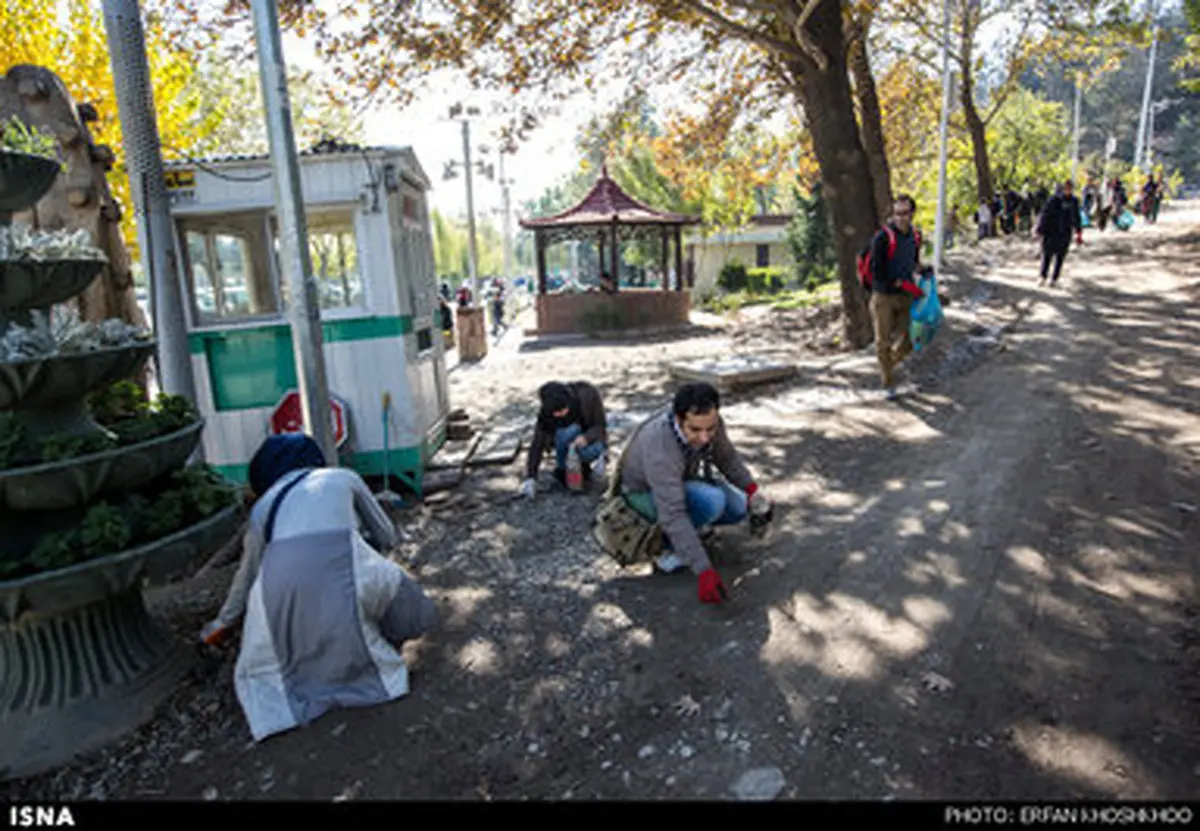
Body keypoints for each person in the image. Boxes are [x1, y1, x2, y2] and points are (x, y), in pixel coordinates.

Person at [201, 434, 436, 742]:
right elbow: (387, 534)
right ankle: (376, 641)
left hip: (281, 605)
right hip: (345, 583)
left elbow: (246, 578)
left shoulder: (263, 509)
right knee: (401, 597)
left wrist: (221, 624)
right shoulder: (341, 478)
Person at [618, 382, 773, 604]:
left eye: (710, 429)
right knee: (712, 502)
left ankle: (690, 537)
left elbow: (727, 458)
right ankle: (666, 549)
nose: (704, 438)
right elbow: (672, 513)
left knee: (739, 505)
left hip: (680, 481)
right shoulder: (660, 445)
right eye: (696, 430)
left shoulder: (711, 422)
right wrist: (704, 571)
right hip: (642, 495)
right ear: (679, 420)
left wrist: (752, 490)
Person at [867, 194, 926, 399]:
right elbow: (876, 270)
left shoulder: (916, 236)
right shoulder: (882, 238)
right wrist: (894, 282)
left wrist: (924, 272)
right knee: (882, 341)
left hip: (906, 295)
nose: (900, 218)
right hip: (883, 296)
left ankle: (889, 363)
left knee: (910, 338)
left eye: (904, 213)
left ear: (912, 214)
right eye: (897, 213)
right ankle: (888, 382)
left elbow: (914, 262)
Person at [520, 380, 608, 498]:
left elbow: (600, 426)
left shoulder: (587, 394)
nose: (561, 414)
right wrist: (531, 477)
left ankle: (585, 466)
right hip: (565, 445)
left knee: (592, 448)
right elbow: (537, 444)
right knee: (566, 432)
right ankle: (564, 471)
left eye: (563, 410)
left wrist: (587, 437)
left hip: (588, 442)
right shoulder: (546, 414)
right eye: (556, 413)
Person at [1034, 178, 1083, 287]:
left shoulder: (1074, 201)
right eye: (1067, 188)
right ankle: (1043, 276)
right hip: (1051, 231)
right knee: (1047, 255)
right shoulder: (1054, 200)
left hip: (1065, 232)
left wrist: (1079, 232)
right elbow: (1045, 214)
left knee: (1060, 257)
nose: (1068, 190)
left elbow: (1076, 217)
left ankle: (1054, 279)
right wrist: (1039, 230)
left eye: (1070, 188)